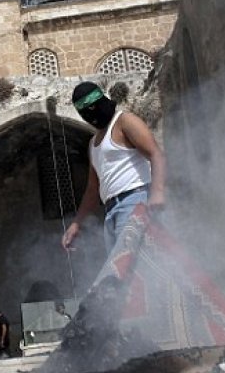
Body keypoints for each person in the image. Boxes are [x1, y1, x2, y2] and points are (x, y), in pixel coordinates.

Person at [61, 81, 166, 254]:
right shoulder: (93, 144)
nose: (91, 114)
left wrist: (157, 193)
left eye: (93, 107)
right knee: (119, 264)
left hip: (134, 201)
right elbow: (92, 190)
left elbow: (155, 154)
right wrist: (76, 223)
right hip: (111, 211)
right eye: (86, 111)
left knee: (131, 262)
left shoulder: (125, 121)